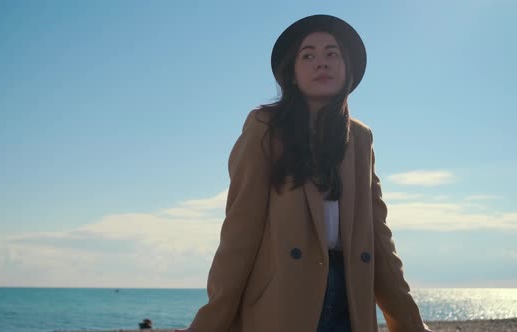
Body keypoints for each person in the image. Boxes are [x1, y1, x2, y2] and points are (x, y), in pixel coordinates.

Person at [176, 15, 433, 332]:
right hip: (282, 301)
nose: (321, 63)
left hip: (351, 300)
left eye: (332, 53)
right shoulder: (265, 127)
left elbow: (379, 239)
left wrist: (410, 324)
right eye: (308, 55)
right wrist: (211, 320)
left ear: (346, 68)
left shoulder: (361, 138)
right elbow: (240, 231)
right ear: (292, 73)